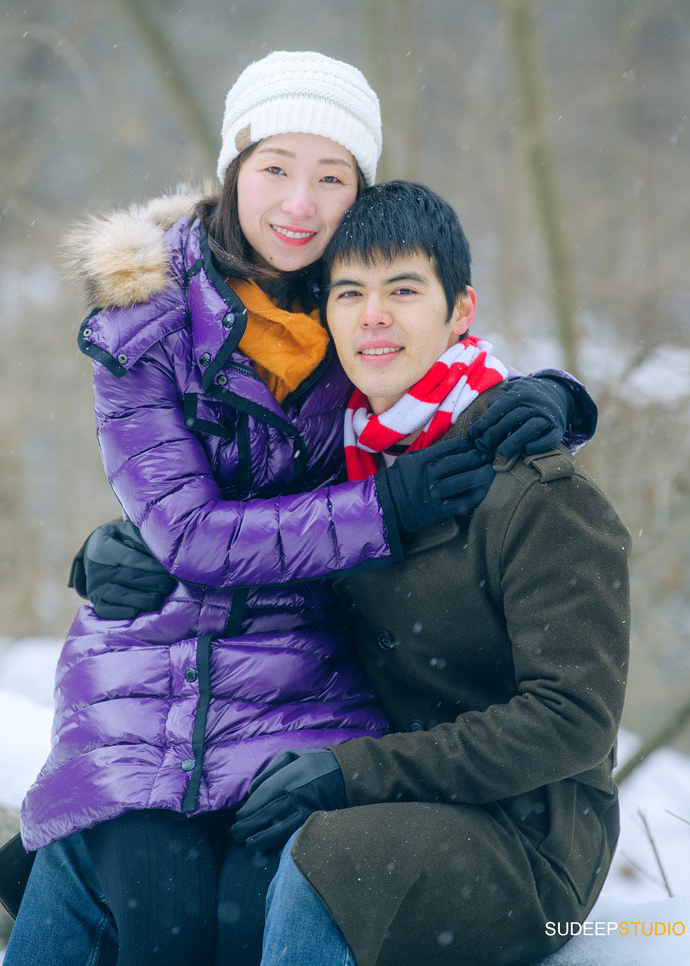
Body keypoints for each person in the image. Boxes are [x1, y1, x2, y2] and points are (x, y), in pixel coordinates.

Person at [3, 53, 596, 965]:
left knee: (253, 913)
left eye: (332, 178)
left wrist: (557, 396)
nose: (299, 204)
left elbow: (446, 356)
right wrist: (380, 509)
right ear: (234, 166)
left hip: (304, 683)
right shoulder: (145, 316)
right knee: (162, 912)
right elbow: (189, 531)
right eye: (276, 167)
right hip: (153, 667)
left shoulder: (348, 298)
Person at [234, 180, 631, 965]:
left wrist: (351, 772)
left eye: (403, 289)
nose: (372, 315)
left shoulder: (537, 488)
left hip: (528, 838)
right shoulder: (345, 473)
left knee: (330, 856)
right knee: (154, 845)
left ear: (459, 310)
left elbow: (573, 720)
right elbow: (235, 532)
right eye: (349, 292)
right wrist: (140, 548)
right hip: (397, 798)